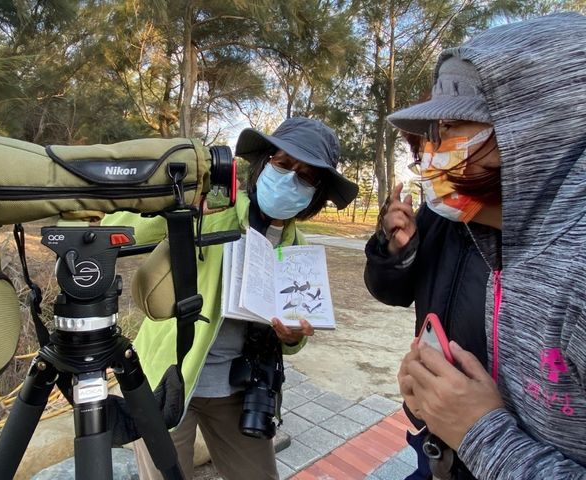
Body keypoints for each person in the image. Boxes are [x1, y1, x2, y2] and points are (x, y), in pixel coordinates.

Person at [386, 12, 586, 478]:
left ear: (538, 130)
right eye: (431, 136)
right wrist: (439, 394)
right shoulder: (488, 225)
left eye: (454, 127)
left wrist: (479, 431)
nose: (434, 152)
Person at [118, 117, 359, 479]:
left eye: (307, 176)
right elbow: (127, 232)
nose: (292, 178)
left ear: (315, 193)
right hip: (169, 377)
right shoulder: (215, 210)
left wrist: (292, 338)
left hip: (238, 389)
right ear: (264, 163)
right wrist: (180, 213)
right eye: (284, 164)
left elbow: (292, 337)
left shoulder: (298, 252)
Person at [364, 131, 496, 478]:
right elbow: (391, 291)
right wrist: (396, 249)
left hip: (502, 446)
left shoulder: (549, 237)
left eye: (448, 136)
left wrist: (489, 432)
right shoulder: (439, 214)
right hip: (437, 433)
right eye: (424, 147)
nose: (433, 157)